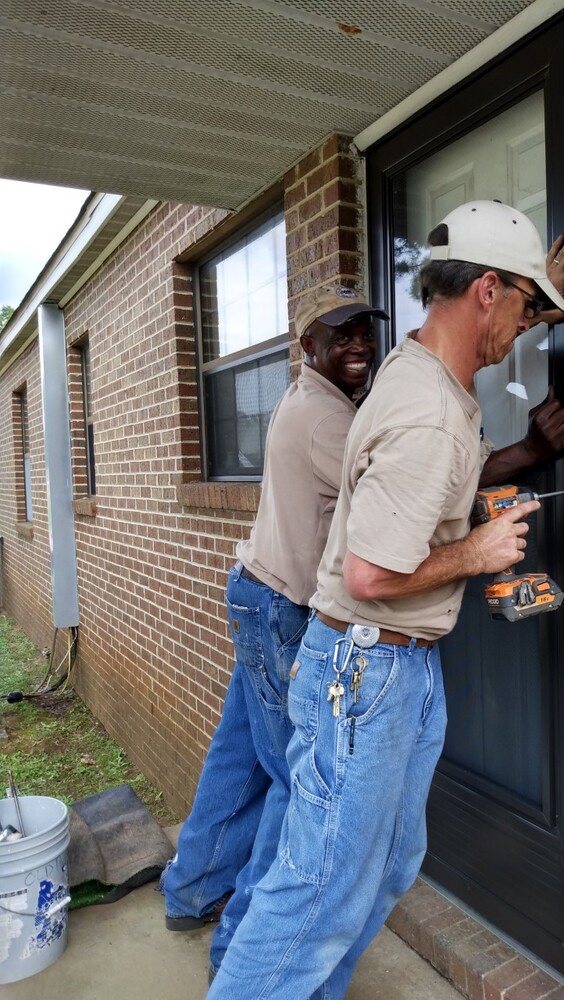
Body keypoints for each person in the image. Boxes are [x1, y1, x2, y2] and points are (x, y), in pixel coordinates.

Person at [206, 199, 564, 1000]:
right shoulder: (427, 415)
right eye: (521, 306)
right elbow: (372, 574)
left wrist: (539, 290)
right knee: (317, 895)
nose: (523, 327)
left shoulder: (418, 371)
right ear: (485, 290)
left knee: (384, 866)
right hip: (364, 674)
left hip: (394, 669)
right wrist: (477, 552)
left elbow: (426, 482)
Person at [161, 285, 389, 978]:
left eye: (364, 330)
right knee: (298, 780)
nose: (356, 342)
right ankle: (241, 950)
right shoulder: (327, 422)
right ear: (308, 346)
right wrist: (522, 450)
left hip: (259, 599)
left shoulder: (314, 400)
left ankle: (192, 888)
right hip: (282, 611)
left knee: (240, 757)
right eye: (339, 332)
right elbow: (402, 486)